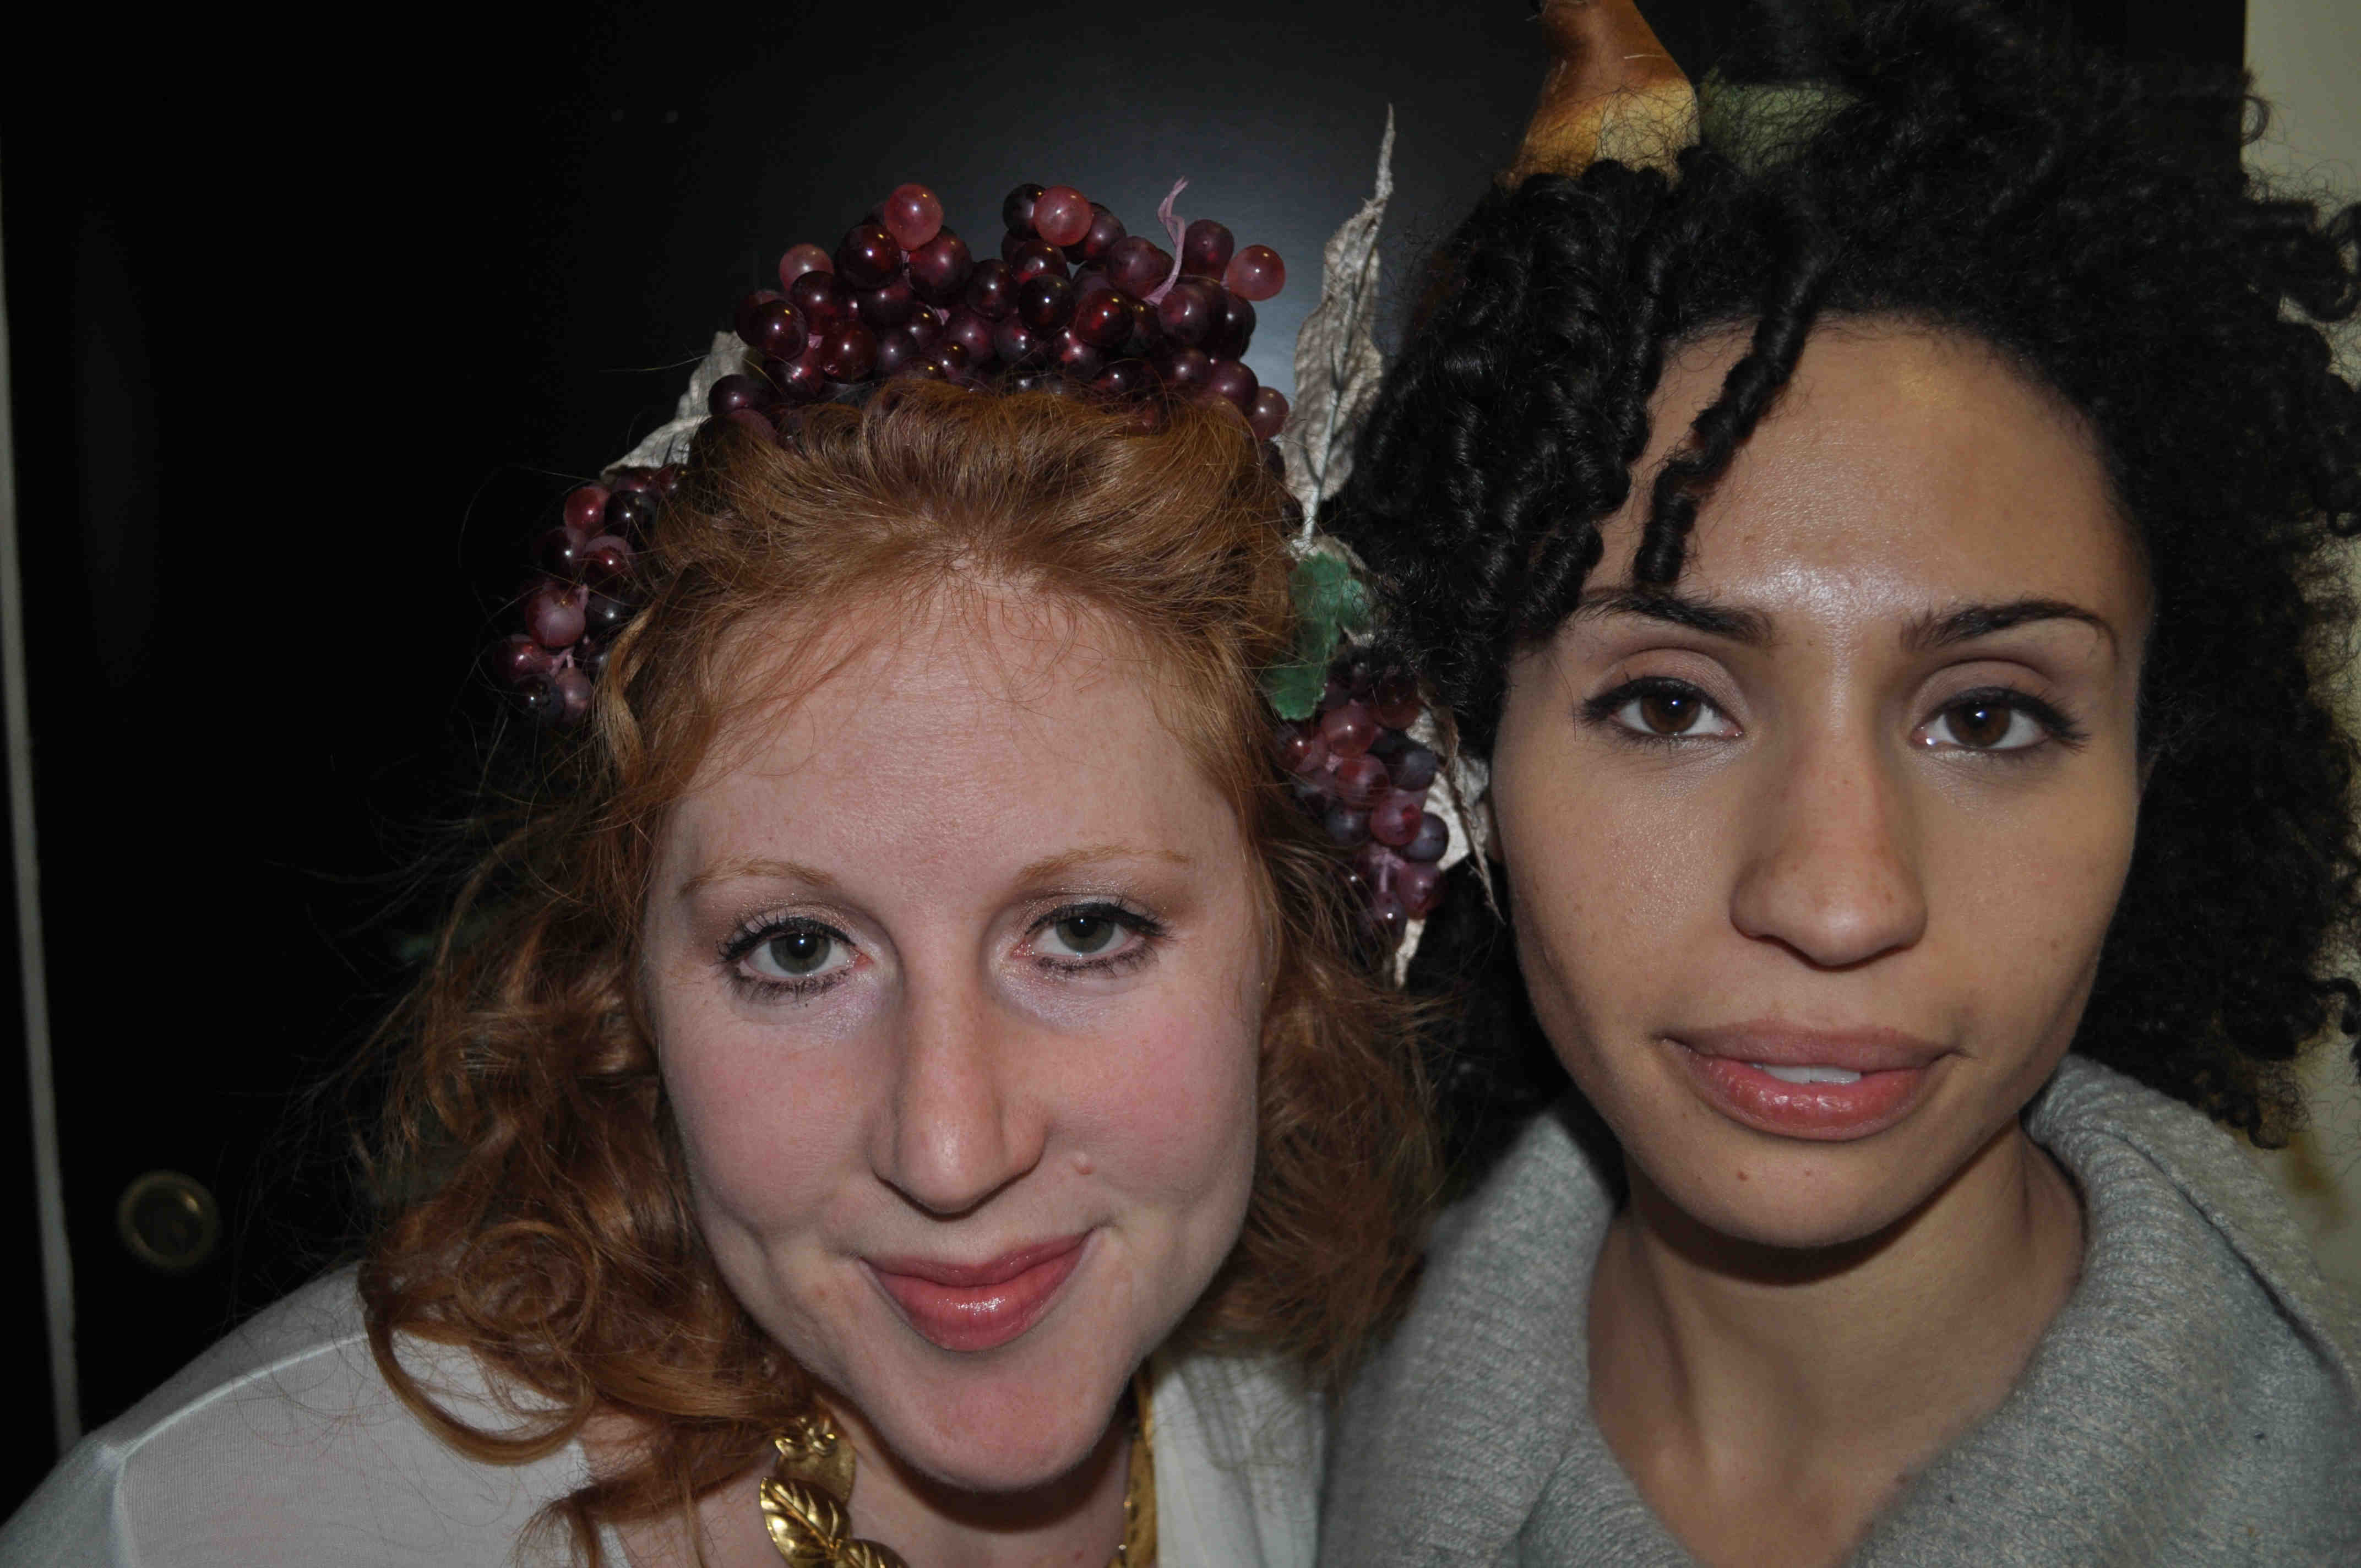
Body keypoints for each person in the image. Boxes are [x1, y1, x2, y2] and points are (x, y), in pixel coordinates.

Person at [1, 259, 1435, 1559]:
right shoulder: (219, 1529)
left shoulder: (1311, 1436)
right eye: (796, 950)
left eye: (1086, 930)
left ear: (1287, 944)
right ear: (626, 978)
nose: (948, 1153)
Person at [1319, 1, 2361, 1563]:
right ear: (1472, 766)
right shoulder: (1274, 1448)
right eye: (1669, 703)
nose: (1836, 900)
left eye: (1989, 720)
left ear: (2157, 773)